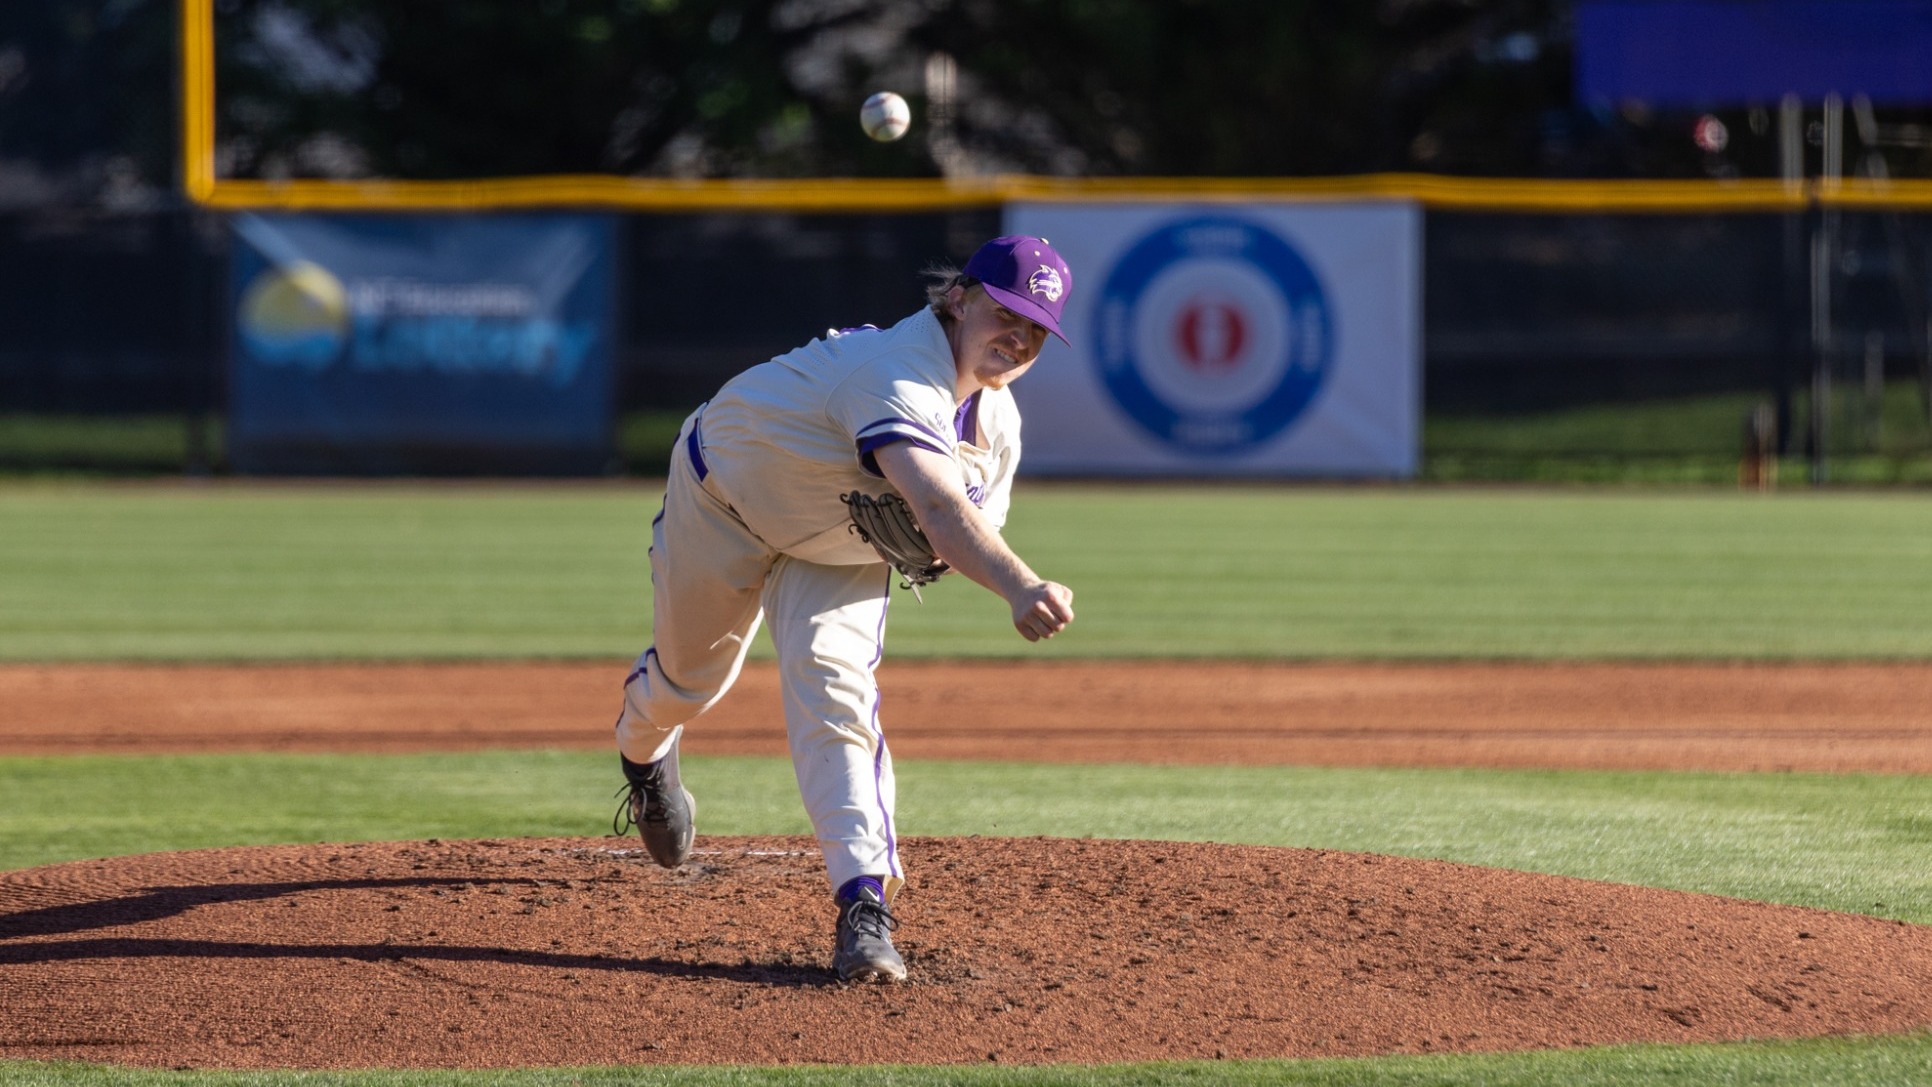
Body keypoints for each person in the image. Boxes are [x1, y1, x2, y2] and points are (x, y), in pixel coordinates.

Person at [611, 235, 1078, 983]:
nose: (1017, 338)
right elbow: (935, 503)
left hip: (836, 542)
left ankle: (865, 907)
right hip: (724, 497)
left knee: (836, 688)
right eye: (1005, 312)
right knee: (691, 681)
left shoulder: (1001, 430)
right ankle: (643, 753)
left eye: (1036, 331)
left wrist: (951, 551)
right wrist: (1021, 585)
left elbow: (960, 528)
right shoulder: (893, 370)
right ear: (958, 299)